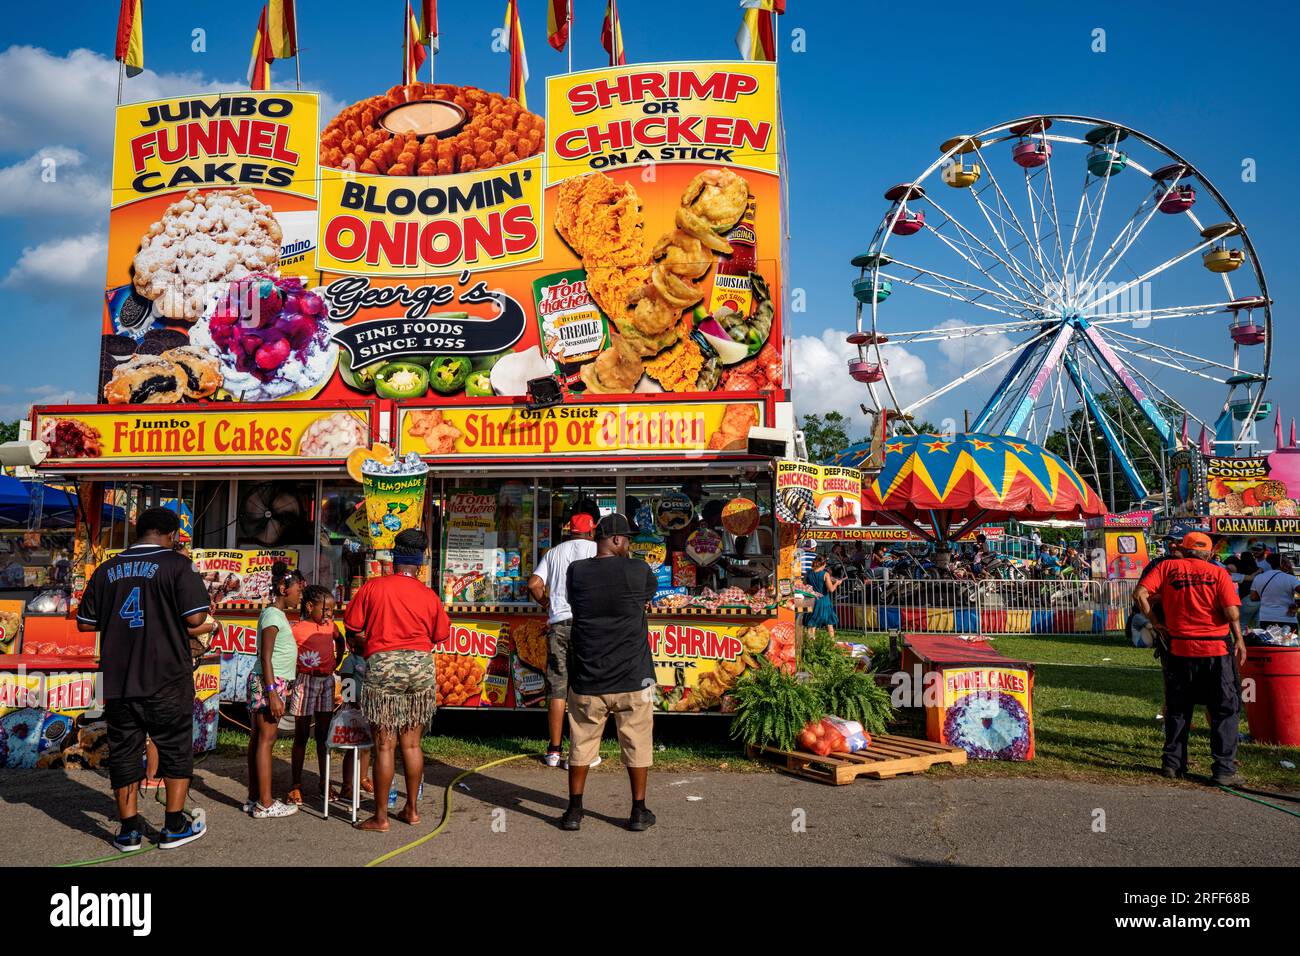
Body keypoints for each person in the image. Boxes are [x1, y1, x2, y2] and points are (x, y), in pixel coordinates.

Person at [76, 506, 214, 851]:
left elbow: (85, 622)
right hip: (167, 674)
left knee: (124, 748)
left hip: (119, 675)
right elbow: (196, 617)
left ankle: (127, 832)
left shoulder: (107, 569)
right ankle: (172, 826)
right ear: (171, 536)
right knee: (174, 745)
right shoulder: (177, 565)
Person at [344, 528, 449, 832]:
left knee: (384, 746)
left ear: (394, 556)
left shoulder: (374, 587)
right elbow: (440, 634)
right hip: (420, 669)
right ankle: (412, 811)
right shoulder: (428, 595)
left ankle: (380, 818)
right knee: (412, 745)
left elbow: (352, 628)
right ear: (420, 562)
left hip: (384, 668)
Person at [560, 513, 659, 832]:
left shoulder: (576, 571)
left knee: (581, 742)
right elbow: (646, 600)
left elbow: (576, 605)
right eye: (627, 539)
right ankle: (638, 811)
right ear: (615, 540)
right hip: (634, 674)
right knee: (637, 742)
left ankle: (574, 811)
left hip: (589, 675)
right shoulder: (640, 570)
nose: (629, 544)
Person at [1133, 531, 1246, 786]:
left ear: (1183, 549)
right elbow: (1230, 612)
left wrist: (1156, 622)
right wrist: (1239, 638)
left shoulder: (1167, 567)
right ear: (1209, 553)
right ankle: (1224, 770)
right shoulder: (1218, 573)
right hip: (1215, 649)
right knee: (1224, 709)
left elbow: (1139, 594)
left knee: (1178, 708)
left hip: (1178, 648)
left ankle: (1173, 764)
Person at [527, 512, 598, 768]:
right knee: (583, 688)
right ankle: (578, 753)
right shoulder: (596, 550)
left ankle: (553, 751)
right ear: (591, 531)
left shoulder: (553, 553)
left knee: (558, 688)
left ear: (570, 531)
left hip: (558, 625)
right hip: (586, 625)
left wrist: (548, 604)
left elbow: (534, 583)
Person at [246, 562, 304, 819]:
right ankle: (266, 803)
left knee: (260, 739)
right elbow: (266, 656)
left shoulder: (276, 615)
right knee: (266, 741)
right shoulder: (272, 616)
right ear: (283, 588)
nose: (299, 595)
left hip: (271, 682)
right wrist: (272, 692)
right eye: (297, 590)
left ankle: (255, 797)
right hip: (270, 683)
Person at [288, 585, 344, 804]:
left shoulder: (331, 626)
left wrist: (336, 661)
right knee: (301, 735)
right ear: (310, 607)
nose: (330, 614)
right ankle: (295, 785)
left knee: (323, 736)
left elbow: (340, 640)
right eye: (326, 610)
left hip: (326, 682)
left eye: (332, 610)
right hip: (306, 682)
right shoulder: (297, 629)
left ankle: (325, 782)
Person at [1250, 555, 1299, 632]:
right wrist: (1297, 605)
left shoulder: (1258, 577)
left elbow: (1253, 597)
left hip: (1265, 618)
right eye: (1287, 562)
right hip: (1287, 619)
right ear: (1282, 564)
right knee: (1289, 643)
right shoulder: (1290, 578)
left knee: (1269, 643)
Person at [802, 555, 841, 641]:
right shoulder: (825, 574)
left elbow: (804, 586)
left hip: (811, 600)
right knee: (829, 624)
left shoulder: (808, 573)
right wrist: (837, 583)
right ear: (823, 564)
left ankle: (810, 647)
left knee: (812, 625)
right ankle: (832, 644)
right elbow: (831, 589)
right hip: (824, 601)